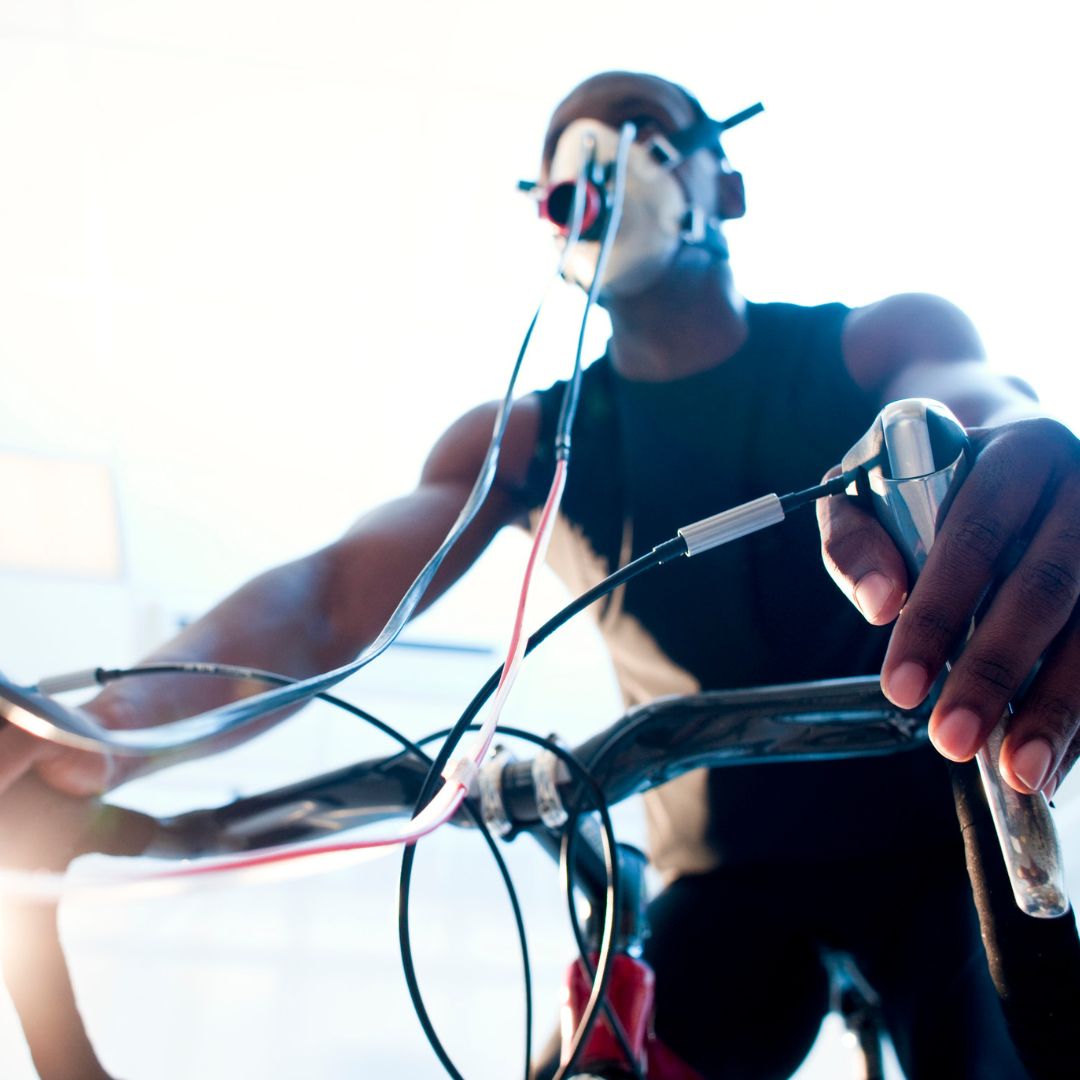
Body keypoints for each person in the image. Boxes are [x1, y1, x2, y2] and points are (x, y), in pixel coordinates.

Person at [2, 70, 1077, 1078]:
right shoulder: (520, 441)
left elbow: (983, 410)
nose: (609, 155)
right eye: (574, 152)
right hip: (720, 881)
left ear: (726, 188)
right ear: (555, 213)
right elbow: (327, 603)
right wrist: (107, 725)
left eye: (649, 129)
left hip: (940, 840)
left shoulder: (875, 343)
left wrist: (1031, 474)